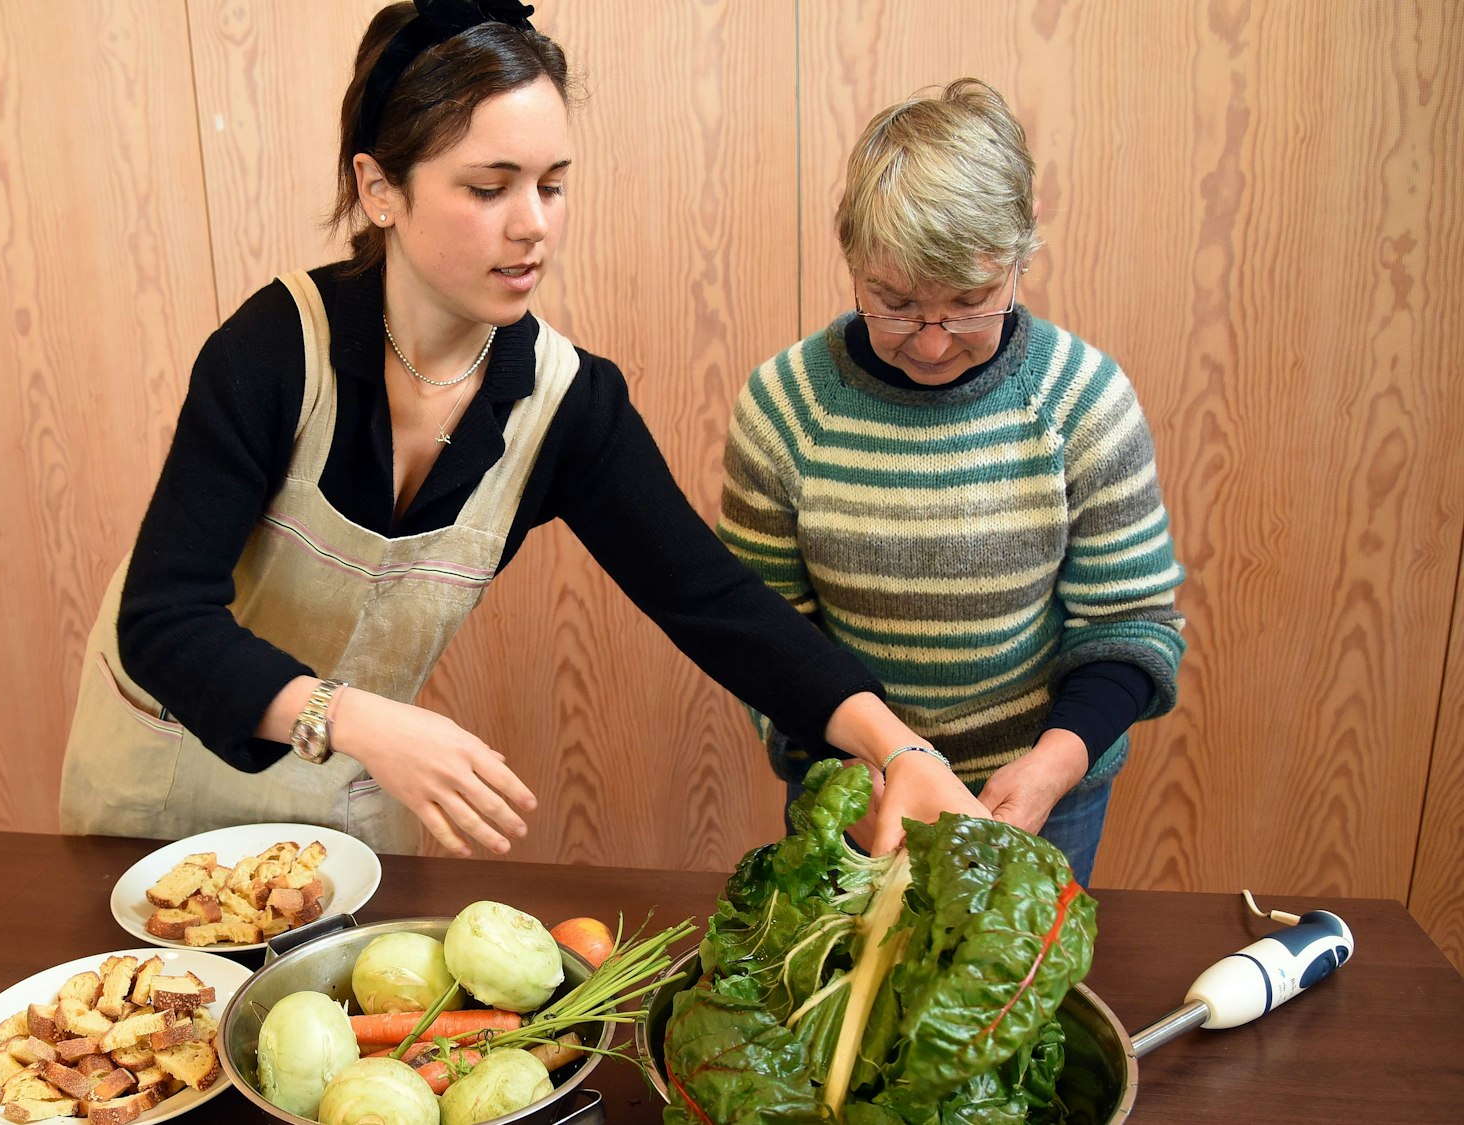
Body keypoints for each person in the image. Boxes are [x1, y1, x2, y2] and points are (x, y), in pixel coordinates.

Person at [59, 0, 990, 858]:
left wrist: (897, 744)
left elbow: (714, 602)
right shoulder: (273, 351)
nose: (533, 226)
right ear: (380, 188)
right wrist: (366, 720)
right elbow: (163, 621)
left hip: (350, 801)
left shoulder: (566, 402)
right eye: (489, 187)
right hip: (163, 781)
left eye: (552, 184)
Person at [717, 79, 1187, 884]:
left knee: (1010, 1005)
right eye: (894, 304)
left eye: (970, 303)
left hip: (1037, 790)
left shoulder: (1081, 398)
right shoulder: (785, 404)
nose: (932, 345)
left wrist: (1053, 764)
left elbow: (1133, 624)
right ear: (852, 262)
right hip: (852, 782)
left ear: (1019, 258)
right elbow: (762, 631)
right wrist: (853, 766)